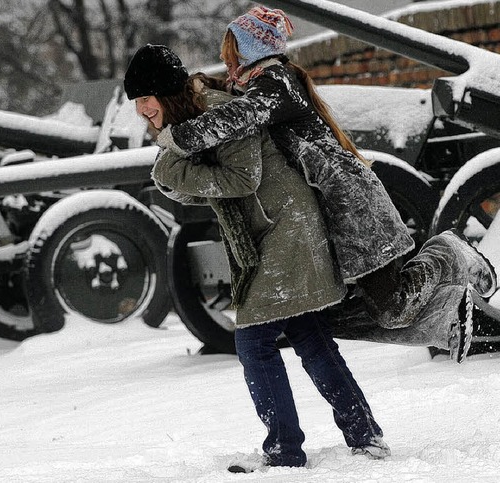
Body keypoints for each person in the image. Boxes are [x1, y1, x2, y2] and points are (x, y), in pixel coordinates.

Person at [153, 6, 497, 362]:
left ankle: (449, 251)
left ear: (251, 52)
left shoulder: (276, 84)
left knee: (393, 308)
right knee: (336, 315)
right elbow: (226, 99)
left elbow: (234, 118)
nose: (226, 62)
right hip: (336, 211)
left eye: (231, 54)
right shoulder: (262, 85)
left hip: (353, 203)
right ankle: (450, 315)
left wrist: (174, 137)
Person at [124, 43, 391, 473]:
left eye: (143, 99)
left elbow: (241, 178)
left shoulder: (217, 112)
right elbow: (209, 187)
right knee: (309, 334)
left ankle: (285, 450)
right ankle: (364, 434)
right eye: (136, 102)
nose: (141, 111)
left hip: (286, 229)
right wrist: (175, 177)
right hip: (278, 227)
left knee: (254, 341)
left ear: (165, 92)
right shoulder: (191, 117)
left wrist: (170, 171)